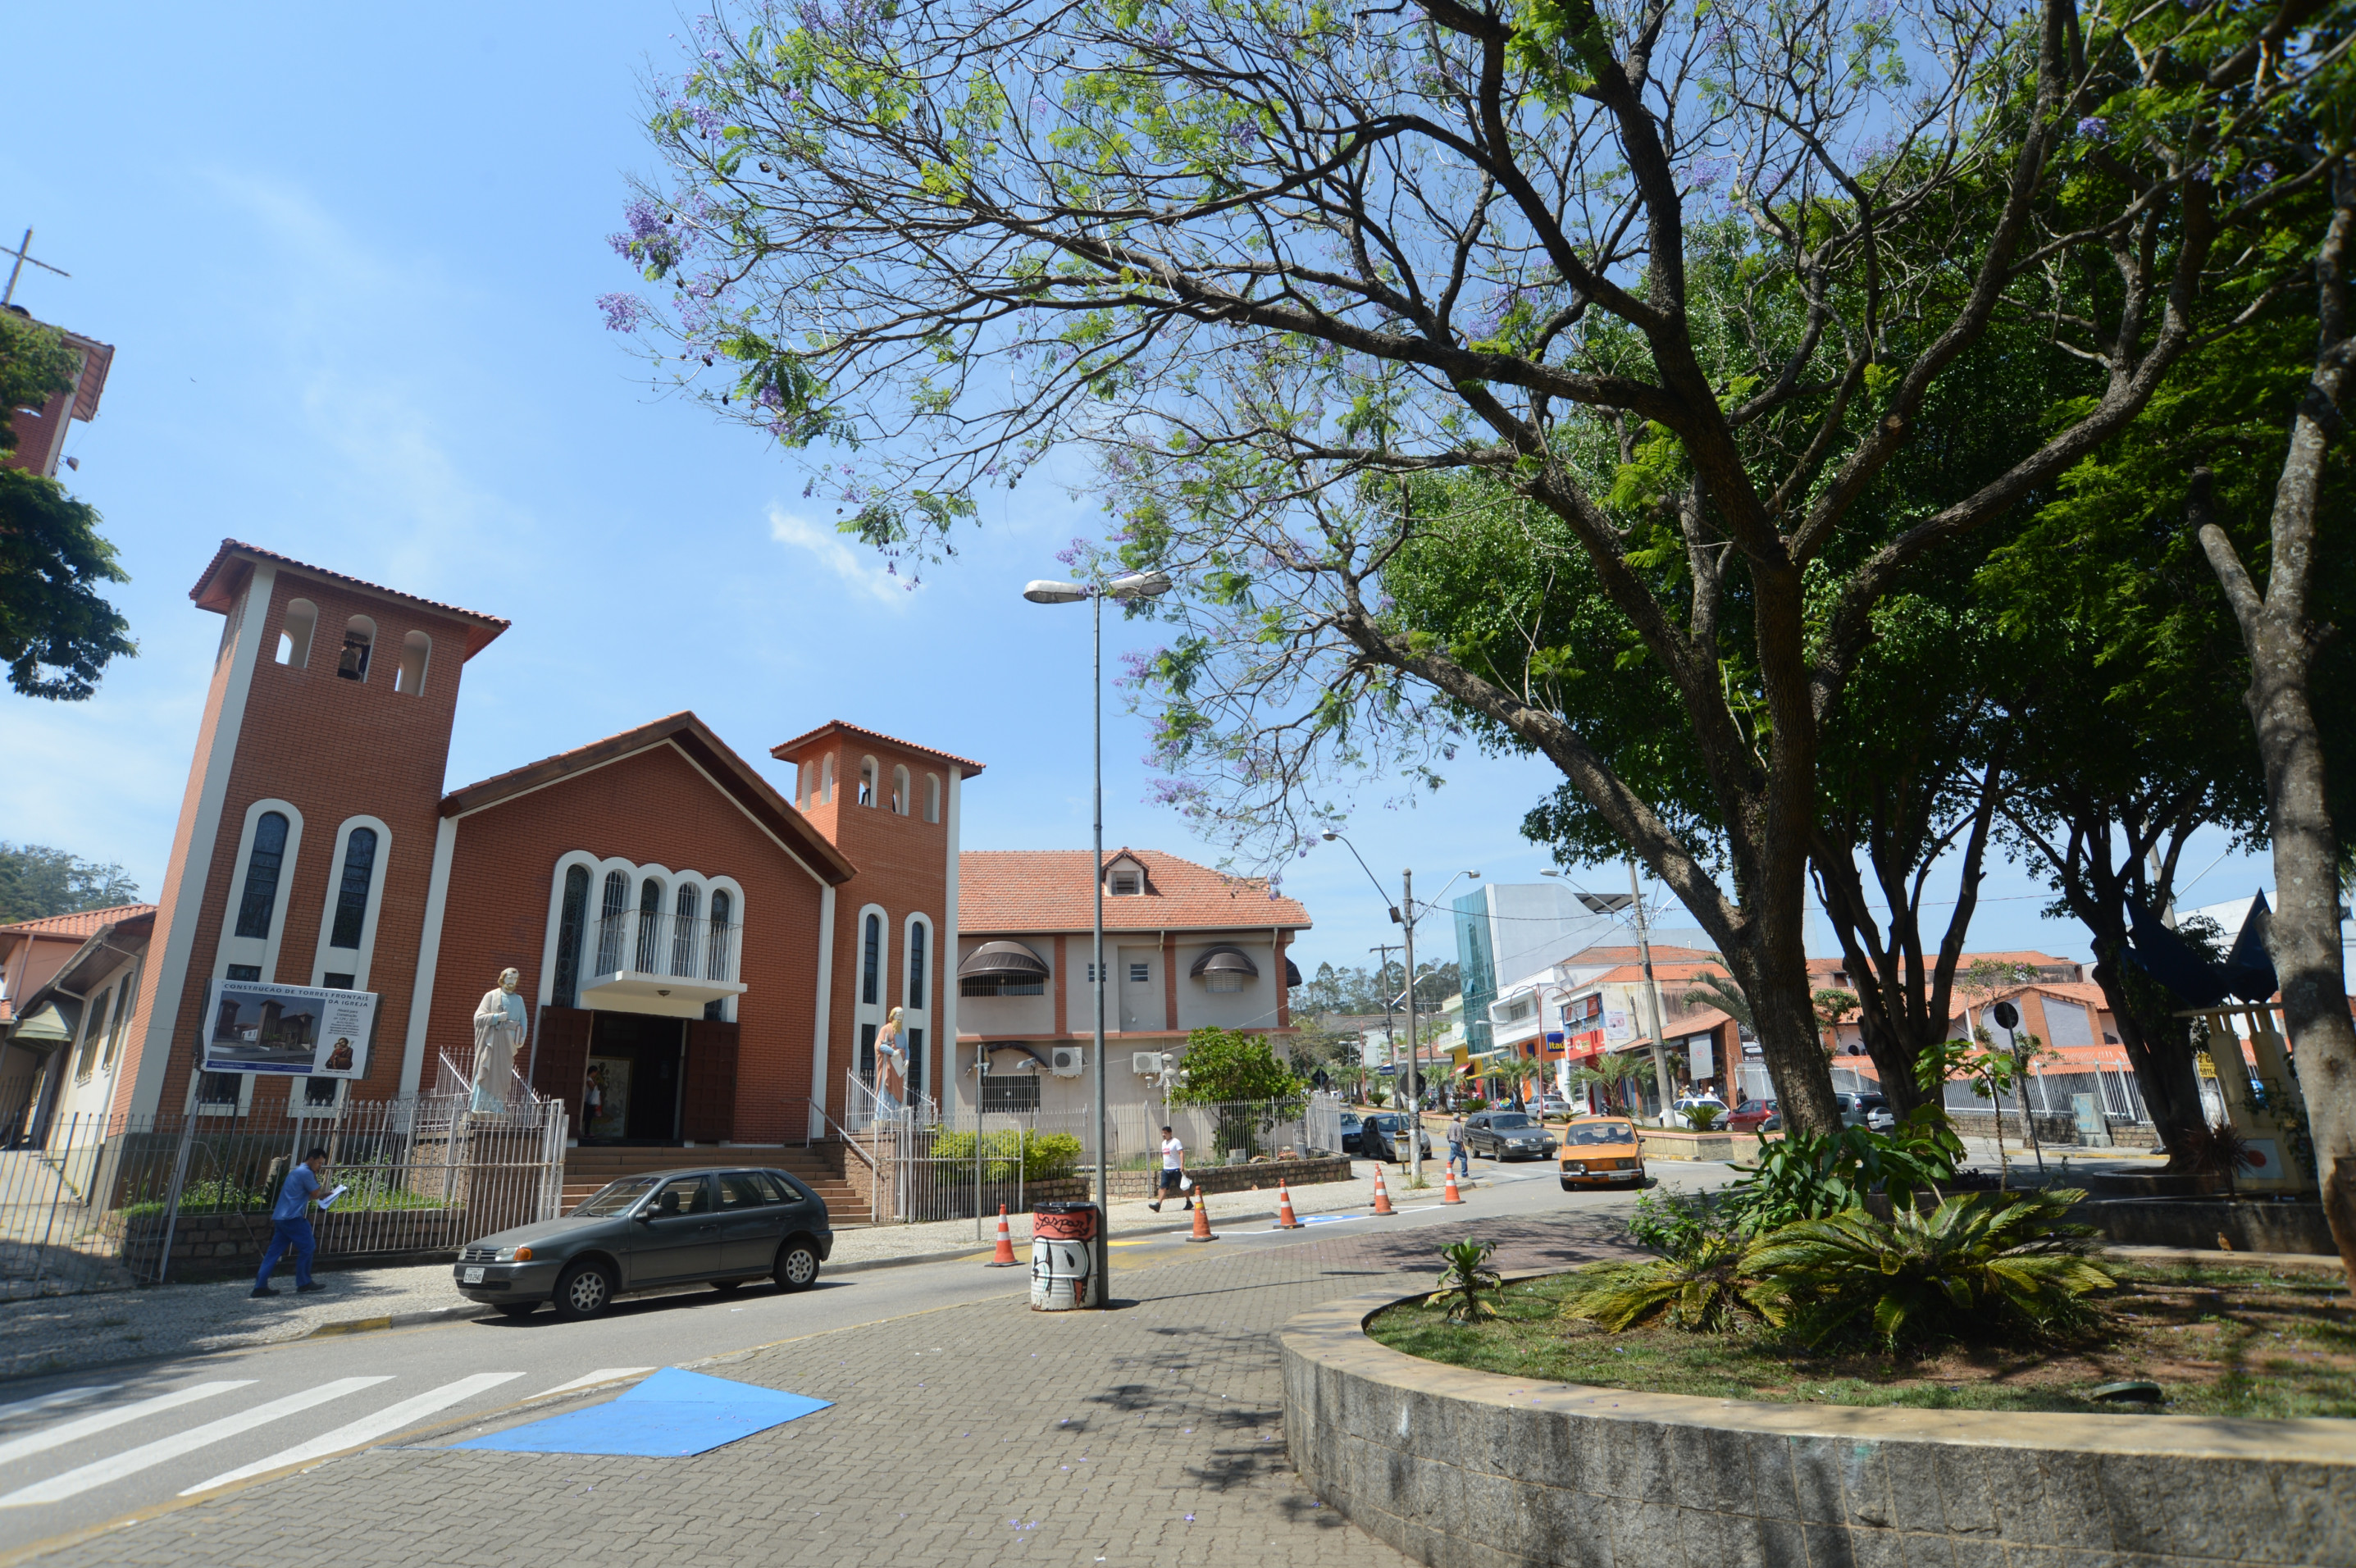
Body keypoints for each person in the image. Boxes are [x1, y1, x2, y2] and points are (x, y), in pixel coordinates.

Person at [253, 1146, 330, 1297]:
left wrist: (324, 1195)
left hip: (281, 1217)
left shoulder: (296, 1172)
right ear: (311, 1159)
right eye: (319, 1163)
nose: (320, 1166)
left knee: (273, 1253)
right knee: (308, 1247)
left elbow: (305, 1195)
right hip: (294, 1218)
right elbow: (315, 1192)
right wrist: (315, 1177)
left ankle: (259, 1286)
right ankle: (304, 1282)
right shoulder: (307, 1173)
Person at [873, 1005, 908, 1114]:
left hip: (898, 1065)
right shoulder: (885, 1029)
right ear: (892, 1016)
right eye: (898, 1016)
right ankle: (882, 1115)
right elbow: (878, 1045)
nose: (900, 1019)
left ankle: (895, 1115)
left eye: (902, 1016)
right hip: (888, 1064)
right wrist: (892, 1052)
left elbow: (906, 1048)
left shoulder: (902, 1033)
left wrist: (907, 1059)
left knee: (897, 1089)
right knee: (886, 1087)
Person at [1150, 1124, 1189, 1212]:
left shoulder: (1176, 1142)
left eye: (1165, 1133)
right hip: (1166, 1170)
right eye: (1163, 1133)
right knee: (1163, 1187)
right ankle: (1158, 1205)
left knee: (1182, 1186)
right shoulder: (1163, 1143)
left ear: (1170, 1133)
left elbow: (1181, 1153)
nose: (1164, 1135)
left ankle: (1188, 1201)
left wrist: (1182, 1164)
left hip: (1176, 1169)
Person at [1447, 1112, 1470, 1179]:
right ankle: (1464, 1173)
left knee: (1451, 1158)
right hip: (1457, 1143)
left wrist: (1450, 1142)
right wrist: (1462, 1146)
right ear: (1458, 1119)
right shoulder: (1458, 1126)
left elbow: (1447, 1135)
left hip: (1452, 1143)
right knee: (1464, 1158)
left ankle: (1449, 1171)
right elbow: (1460, 1137)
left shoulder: (1451, 1125)